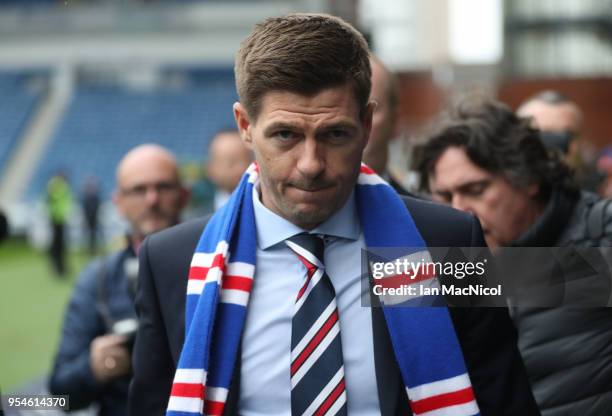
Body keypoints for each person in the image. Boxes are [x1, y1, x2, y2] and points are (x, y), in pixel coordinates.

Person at [129, 14, 538, 416]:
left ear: (366, 123)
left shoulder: (447, 243)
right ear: (245, 126)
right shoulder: (171, 262)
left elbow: (505, 402)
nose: (311, 164)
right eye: (286, 135)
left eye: (334, 134)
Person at [417, 99, 612, 415]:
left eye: (476, 189)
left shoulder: (602, 230)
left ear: (528, 178)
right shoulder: (450, 265)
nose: (457, 211)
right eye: (444, 196)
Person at [49, 144, 190, 416]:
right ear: (118, 203)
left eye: (163, 187)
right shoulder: (97, 279)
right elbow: (60, 395)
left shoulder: (220, 266)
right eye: (138, 189)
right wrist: (94, 368)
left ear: (184, 195)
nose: (152, 199)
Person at [206, 129, 253, 210]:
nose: (241, 169)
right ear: (210, 169)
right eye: (231, 163)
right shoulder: (196, 218)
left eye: (247, 160)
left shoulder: (268, 213)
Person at [46, 171, 73, 276]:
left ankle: (62, 268)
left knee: (61, 245)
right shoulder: (56, 187)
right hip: (55, 219)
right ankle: (58, 268)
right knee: (57, 245)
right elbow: (53, 200)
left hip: (61, 219)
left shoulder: (61, 187)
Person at [81, 176, 102, 255]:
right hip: (88, 219)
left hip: (94, 219)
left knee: (94, 236)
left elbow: (97, 207)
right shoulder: (87, 198)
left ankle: (93, 249)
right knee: (88, 236)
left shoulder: (95, 197)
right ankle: (88, 250)